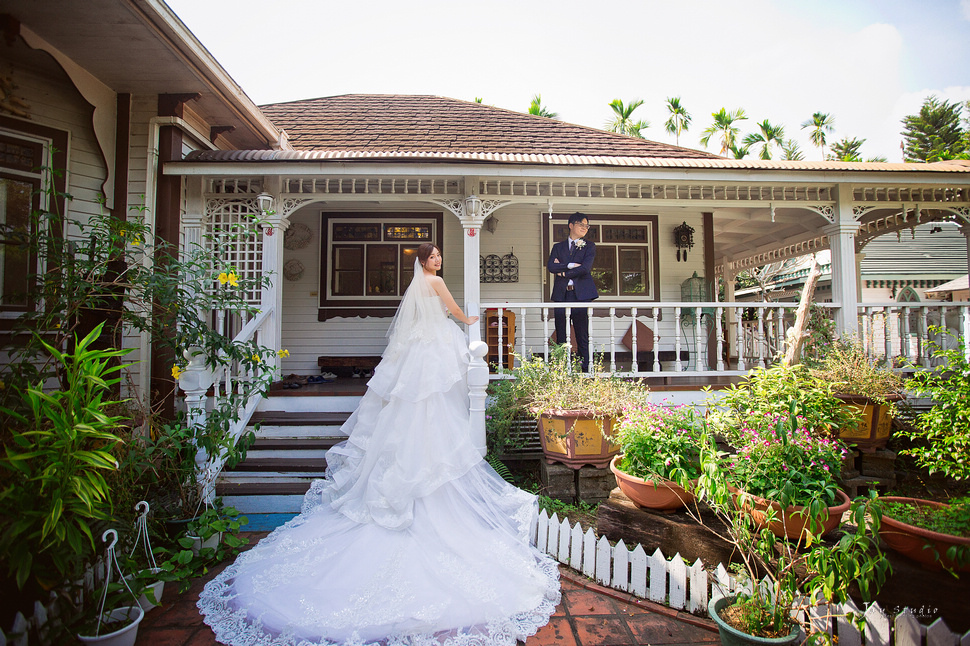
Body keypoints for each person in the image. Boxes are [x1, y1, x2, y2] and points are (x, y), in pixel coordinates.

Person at [198, 243, 560, 646]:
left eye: (439, 255)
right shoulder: (435, 282)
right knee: (431, 404)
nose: (437, 261)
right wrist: (468, 318)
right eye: (433, 256)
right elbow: (454, 312)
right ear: (424, 262)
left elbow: (410, 326)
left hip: (417, 350)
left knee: (412, 406)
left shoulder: (414, 286)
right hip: (435, 346)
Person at [547, 212, 598, 371]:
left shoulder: (589, 246)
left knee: (582, 334)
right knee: (561, 333)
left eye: (586, 226)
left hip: (581, 295)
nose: (585, 228)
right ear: (571, 225)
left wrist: (562, 271)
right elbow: (551, 267)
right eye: (581, 224)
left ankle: (586, 371)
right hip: (562, 294)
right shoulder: (558, 247)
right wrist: (570, 266)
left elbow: (585, 268)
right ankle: (562, 370)